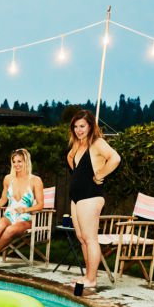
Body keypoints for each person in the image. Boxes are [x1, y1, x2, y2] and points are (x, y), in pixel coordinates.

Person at [66, 109, 120, 289]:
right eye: (75, 127)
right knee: (82, 238)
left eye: (82, 126)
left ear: (90, 126)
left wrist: (100, 174)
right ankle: (87, 275)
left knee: (90, 239)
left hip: (90, 195)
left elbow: (115, 158)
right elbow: (70, 159)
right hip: (76, 198)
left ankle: (91, 279)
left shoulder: (97, 142)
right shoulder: (78, 144)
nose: (79, 130)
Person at [0, 149, 45, 269]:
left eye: (19, 161)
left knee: (9, 230)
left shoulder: (35, 180)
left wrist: (25, 210)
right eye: (14, 161)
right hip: (9, 215)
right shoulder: (8, 179)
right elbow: (3, 200)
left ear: (26, 162)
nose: (16, 164)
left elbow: (40, 205)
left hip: (25, 218)